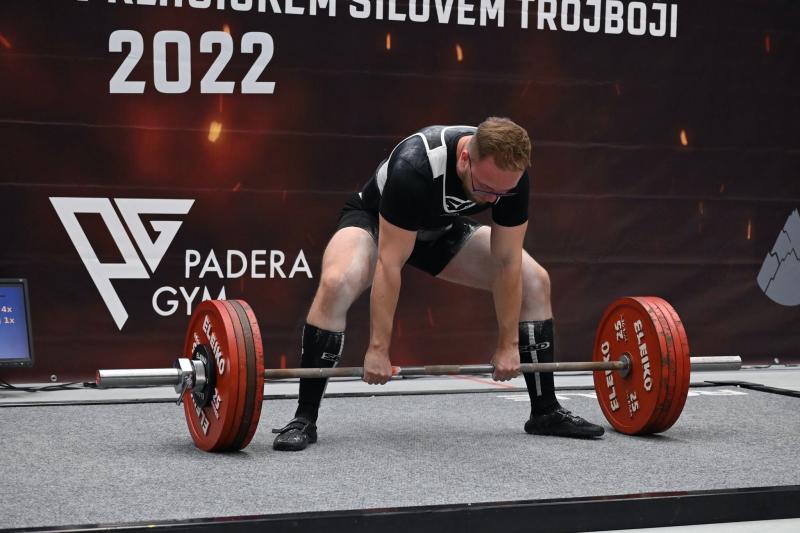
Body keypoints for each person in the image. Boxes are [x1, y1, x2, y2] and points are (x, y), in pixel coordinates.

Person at [272, 117, 604, 451]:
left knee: (535, 280)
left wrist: (508, 345)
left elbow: (507, 261)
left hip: (437, 230)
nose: (493, 201)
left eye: (502, 193)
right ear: (465, 158)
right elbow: (389, 264)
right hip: (375, 223)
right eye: (486, 189)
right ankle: (304, 417)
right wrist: (378, 350)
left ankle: (545, 411)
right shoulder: (415, 166)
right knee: (336, 282)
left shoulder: (509, 178)